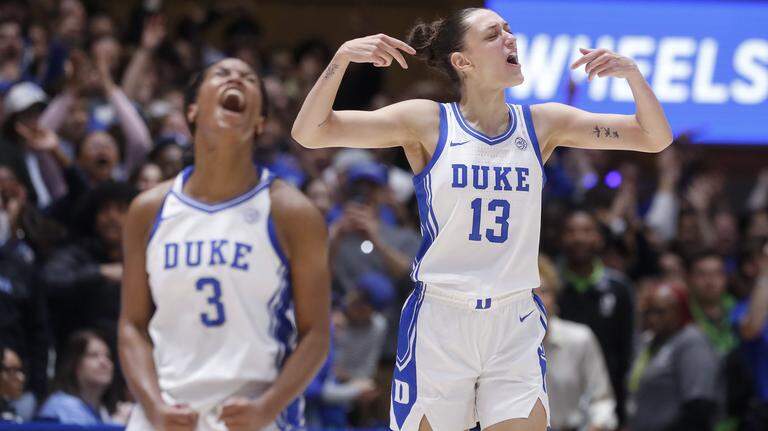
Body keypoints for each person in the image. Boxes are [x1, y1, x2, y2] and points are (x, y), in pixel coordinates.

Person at [292, 7, 672, 431]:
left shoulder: (542, 123)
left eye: (509, 29)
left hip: (514, 319)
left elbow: (654, 137)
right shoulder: (427, 121)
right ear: (463, 61)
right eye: (493, 34)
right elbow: (310, 131)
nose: (510, 38)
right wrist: (341, 58)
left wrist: (633, 75)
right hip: (442, 317)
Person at [119, 57, 330, 431]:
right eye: (221, 73)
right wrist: (153, 407)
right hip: (165, 413)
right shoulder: (148, 210)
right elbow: (132, 326)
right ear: (192, 110)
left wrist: (266, 408)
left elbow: (316, 334)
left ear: (260, 121)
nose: (236, 78)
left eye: (250, 78)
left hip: (255, 415)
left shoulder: (292, 212)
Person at [537, 256, 617, 431]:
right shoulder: (504, 345)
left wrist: (596, 426)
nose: (538, 300)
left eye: (544, 291)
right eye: (530, 293)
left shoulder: (580, 339)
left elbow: (602, 399)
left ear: (555, 297)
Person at [628, 282, 719, 431]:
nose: (652, 318)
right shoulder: (648, 342)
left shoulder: (692, 342)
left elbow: (699, 406)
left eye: (660, 312)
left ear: (679, 311)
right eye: (648, 311)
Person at [37, 330, 119, 425]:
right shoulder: (58, 408)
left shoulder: (107, 411)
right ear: (75, 364)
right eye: (94, 355)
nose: (104, 362)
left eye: (108, 356)